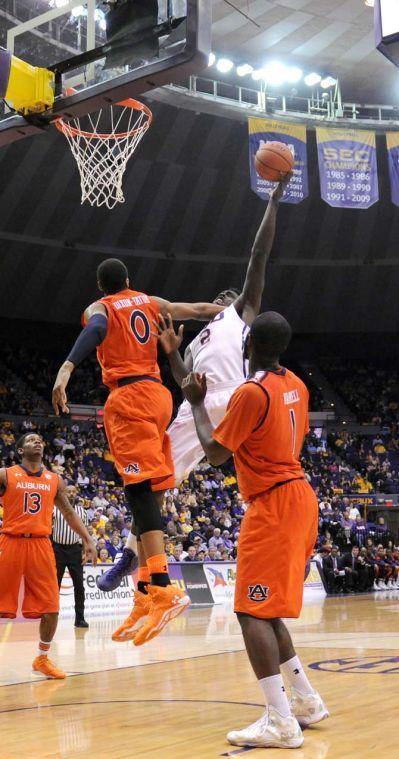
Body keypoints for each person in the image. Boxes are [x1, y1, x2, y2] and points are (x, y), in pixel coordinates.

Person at [52, 258, 221, 646]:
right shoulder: (149, 300)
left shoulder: (101, 308)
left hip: (129, 398)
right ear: (128, 280)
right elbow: (196, 310)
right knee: (148, 493)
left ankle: (162, 585)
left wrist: (66, 368)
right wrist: (232, 311)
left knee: (138, 492)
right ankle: (144, 593)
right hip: (160, 396)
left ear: (100, 286)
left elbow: (96, 328)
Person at [181, 311, 328, 749]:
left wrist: (194, 403)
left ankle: (281, 722)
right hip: (301, 495)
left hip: (274, 503)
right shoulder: (298, 385)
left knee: (249, 611)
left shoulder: (252, 391)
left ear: (247, 346)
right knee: (267, 612)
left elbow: (214, 454)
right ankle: (306, 700)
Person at [160, 177, 291, 486]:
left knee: (267, 475)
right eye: (218, 296)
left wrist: (273, 202)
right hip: (200, 401)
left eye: (228, 295)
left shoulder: (241, 313)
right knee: (159, 472)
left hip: (238, 392)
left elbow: (258, 257)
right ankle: (136, 537)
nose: (221, 298)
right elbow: (184, 380)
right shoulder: (196, 341)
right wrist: (172, 352)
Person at [0, 432, 97, 678]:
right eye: (31, 439)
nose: (38, 442)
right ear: (20, 450)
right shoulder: (6, 474)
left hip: (42, 545)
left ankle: (42, 658)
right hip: (10, 542)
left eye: (40, 440)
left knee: (51, 606)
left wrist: (87, 539)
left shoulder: (54, 480)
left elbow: (69, 513)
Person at [52, 484, 90, 629]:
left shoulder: (82, 511)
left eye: (74, 491)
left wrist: (86, 551)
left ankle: (80, 618)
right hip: (57, 550)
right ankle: (52, 616)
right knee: (55, 586)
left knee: (79, 586)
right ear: (64, 493)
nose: (72, 494)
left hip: (75, 551)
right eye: (69, 492)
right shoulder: (54, 509)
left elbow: (85, 534)